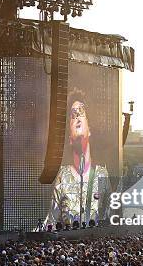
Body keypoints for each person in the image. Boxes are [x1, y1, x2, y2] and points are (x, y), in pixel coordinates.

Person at [47, 88, 111, 226]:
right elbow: (51, 221)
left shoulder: (102, 174)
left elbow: (109, 216)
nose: (77, 117)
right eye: (72, 115)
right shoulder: (62, 176)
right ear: (69, 136)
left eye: (81, 112)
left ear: (90, 128)